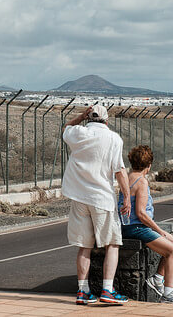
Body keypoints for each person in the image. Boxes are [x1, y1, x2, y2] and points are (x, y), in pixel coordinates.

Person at [62, 105, 131, 305]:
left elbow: (67, 127)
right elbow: (119, 170)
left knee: (84, 246)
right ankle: (107, 290)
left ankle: (83, 291)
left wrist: (80, 117)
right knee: (112, 243)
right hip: (102, 198)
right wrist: (126, 197)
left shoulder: (78, 133)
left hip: (79, 197)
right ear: (106, 121)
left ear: (88, 119)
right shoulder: (114, 139)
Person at [118, 145, 173, 304]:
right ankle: (168, 293)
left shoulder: (128, 176)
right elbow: (141, 213)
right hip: (136, 228)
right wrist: (159, 230)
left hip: (127, 226)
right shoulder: (141, 181)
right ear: (148, 165)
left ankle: (157, 278)